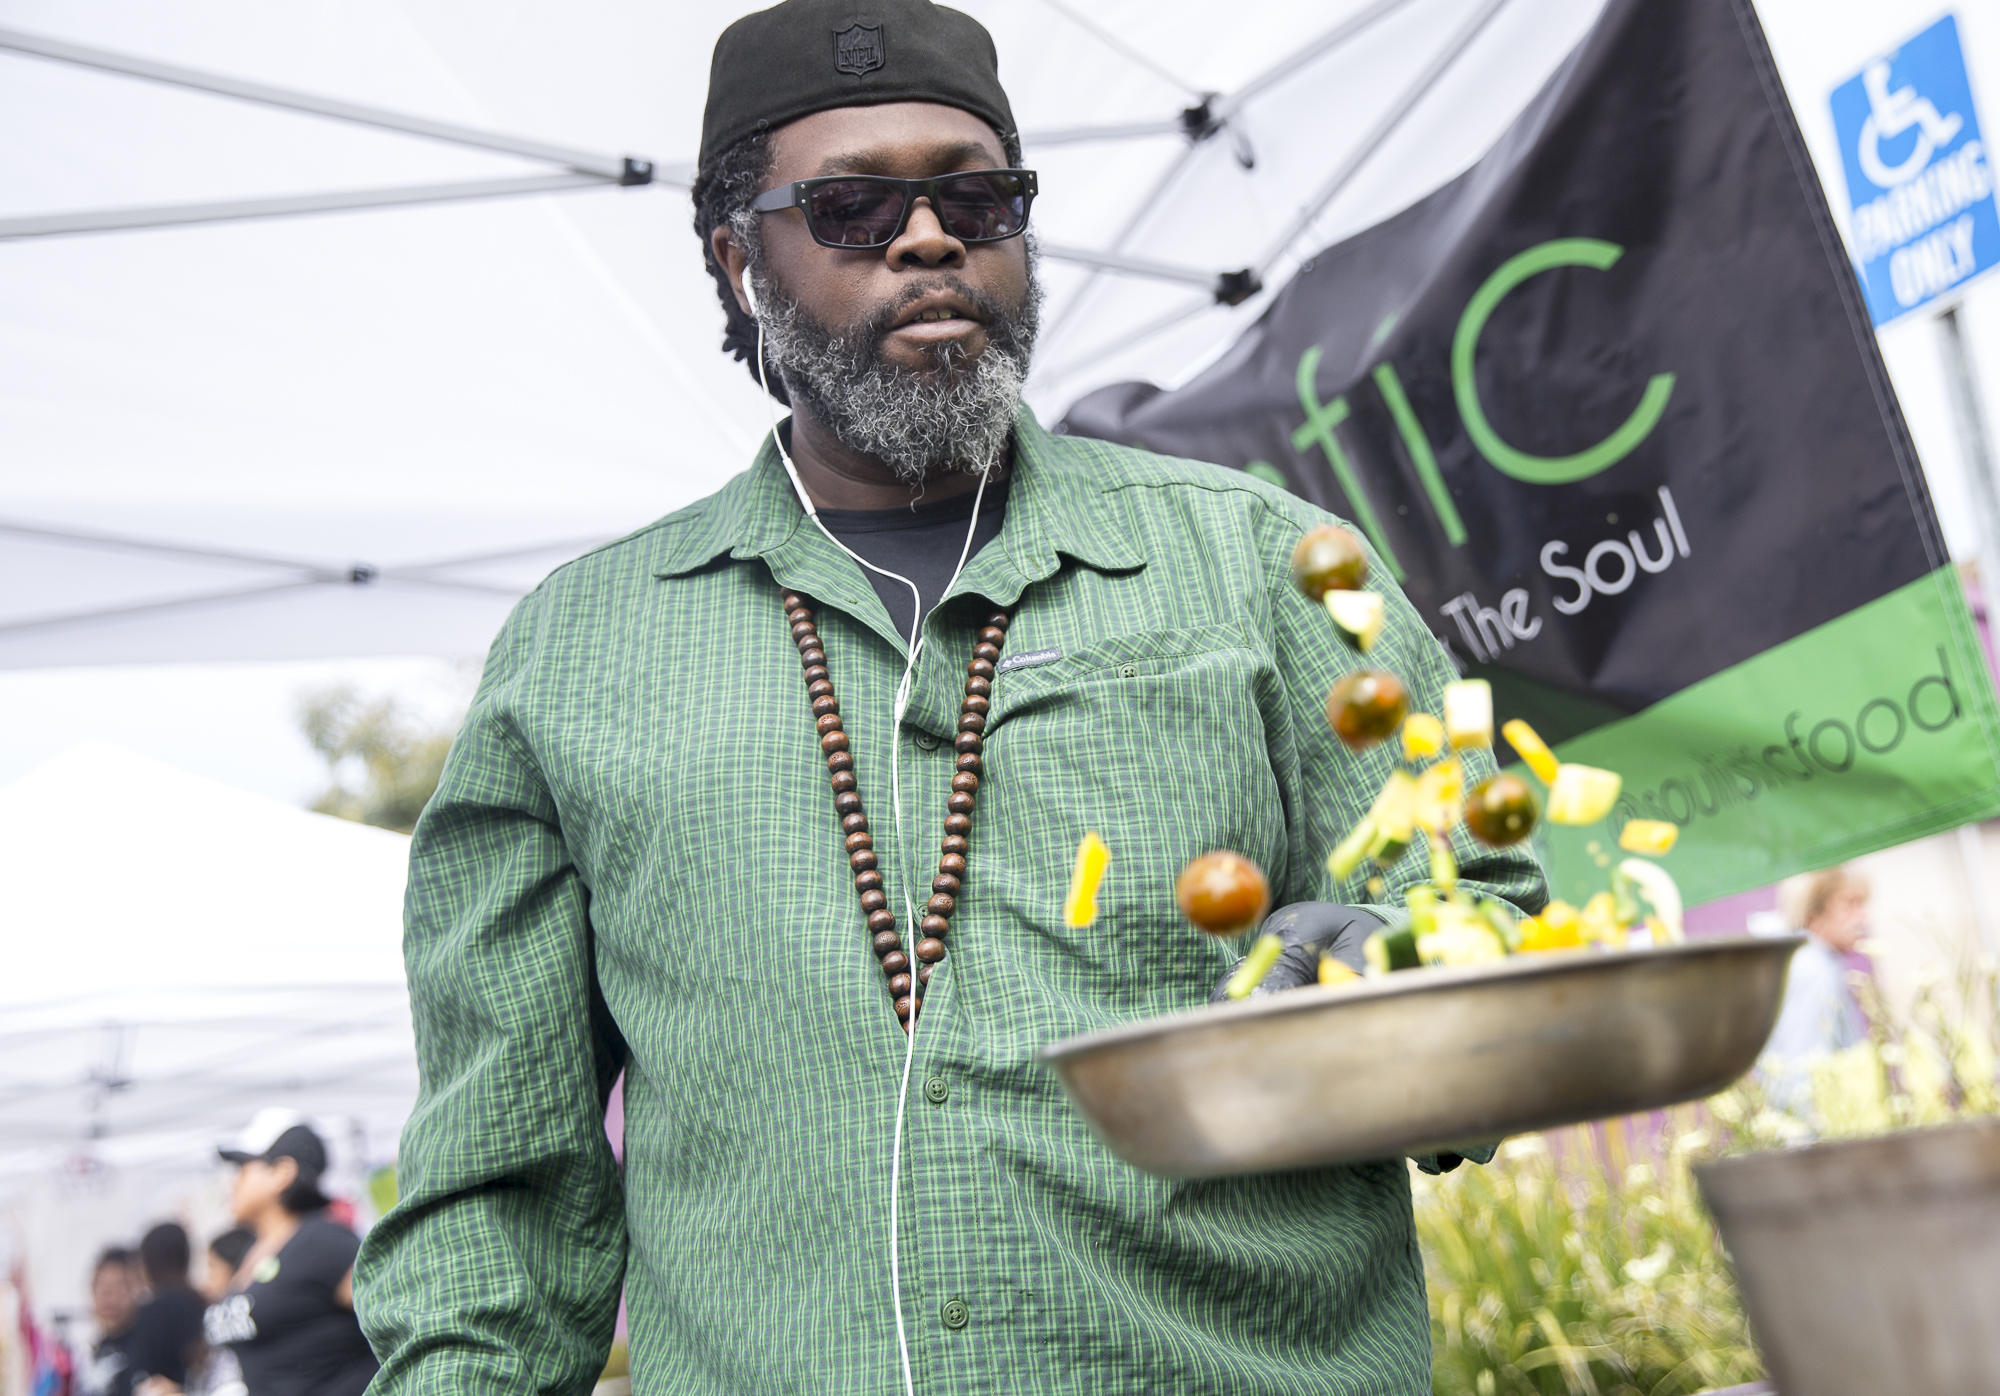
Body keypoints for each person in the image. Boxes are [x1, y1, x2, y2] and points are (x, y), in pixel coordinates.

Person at [354, 1, 1546, 1389]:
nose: (931, 239)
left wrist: (1403, 964)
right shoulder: (581, 654)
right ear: (740, 258)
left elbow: (1489, 914)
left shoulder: (1259, 559)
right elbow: (500, 1193)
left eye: (974, 196)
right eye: (855, 207)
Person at [201, 1118, 378, 1396]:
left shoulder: (325, 1242)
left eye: (243, 1170)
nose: (232, 1183)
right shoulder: (253, 1251)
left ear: (283, 1172)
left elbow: (394, 1317)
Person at [1761, 865, 1874, 1111]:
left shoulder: (1811, 961)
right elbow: (1802, 1068)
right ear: (1814, 911)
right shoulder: (1813, 969)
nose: (1863, 917)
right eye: (1850, 904)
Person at [78, 1247, 138, 1396]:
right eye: (103, 1290)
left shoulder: (148, 1344)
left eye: (119, 1289)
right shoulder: (91, 1348)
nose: (110, 1300)